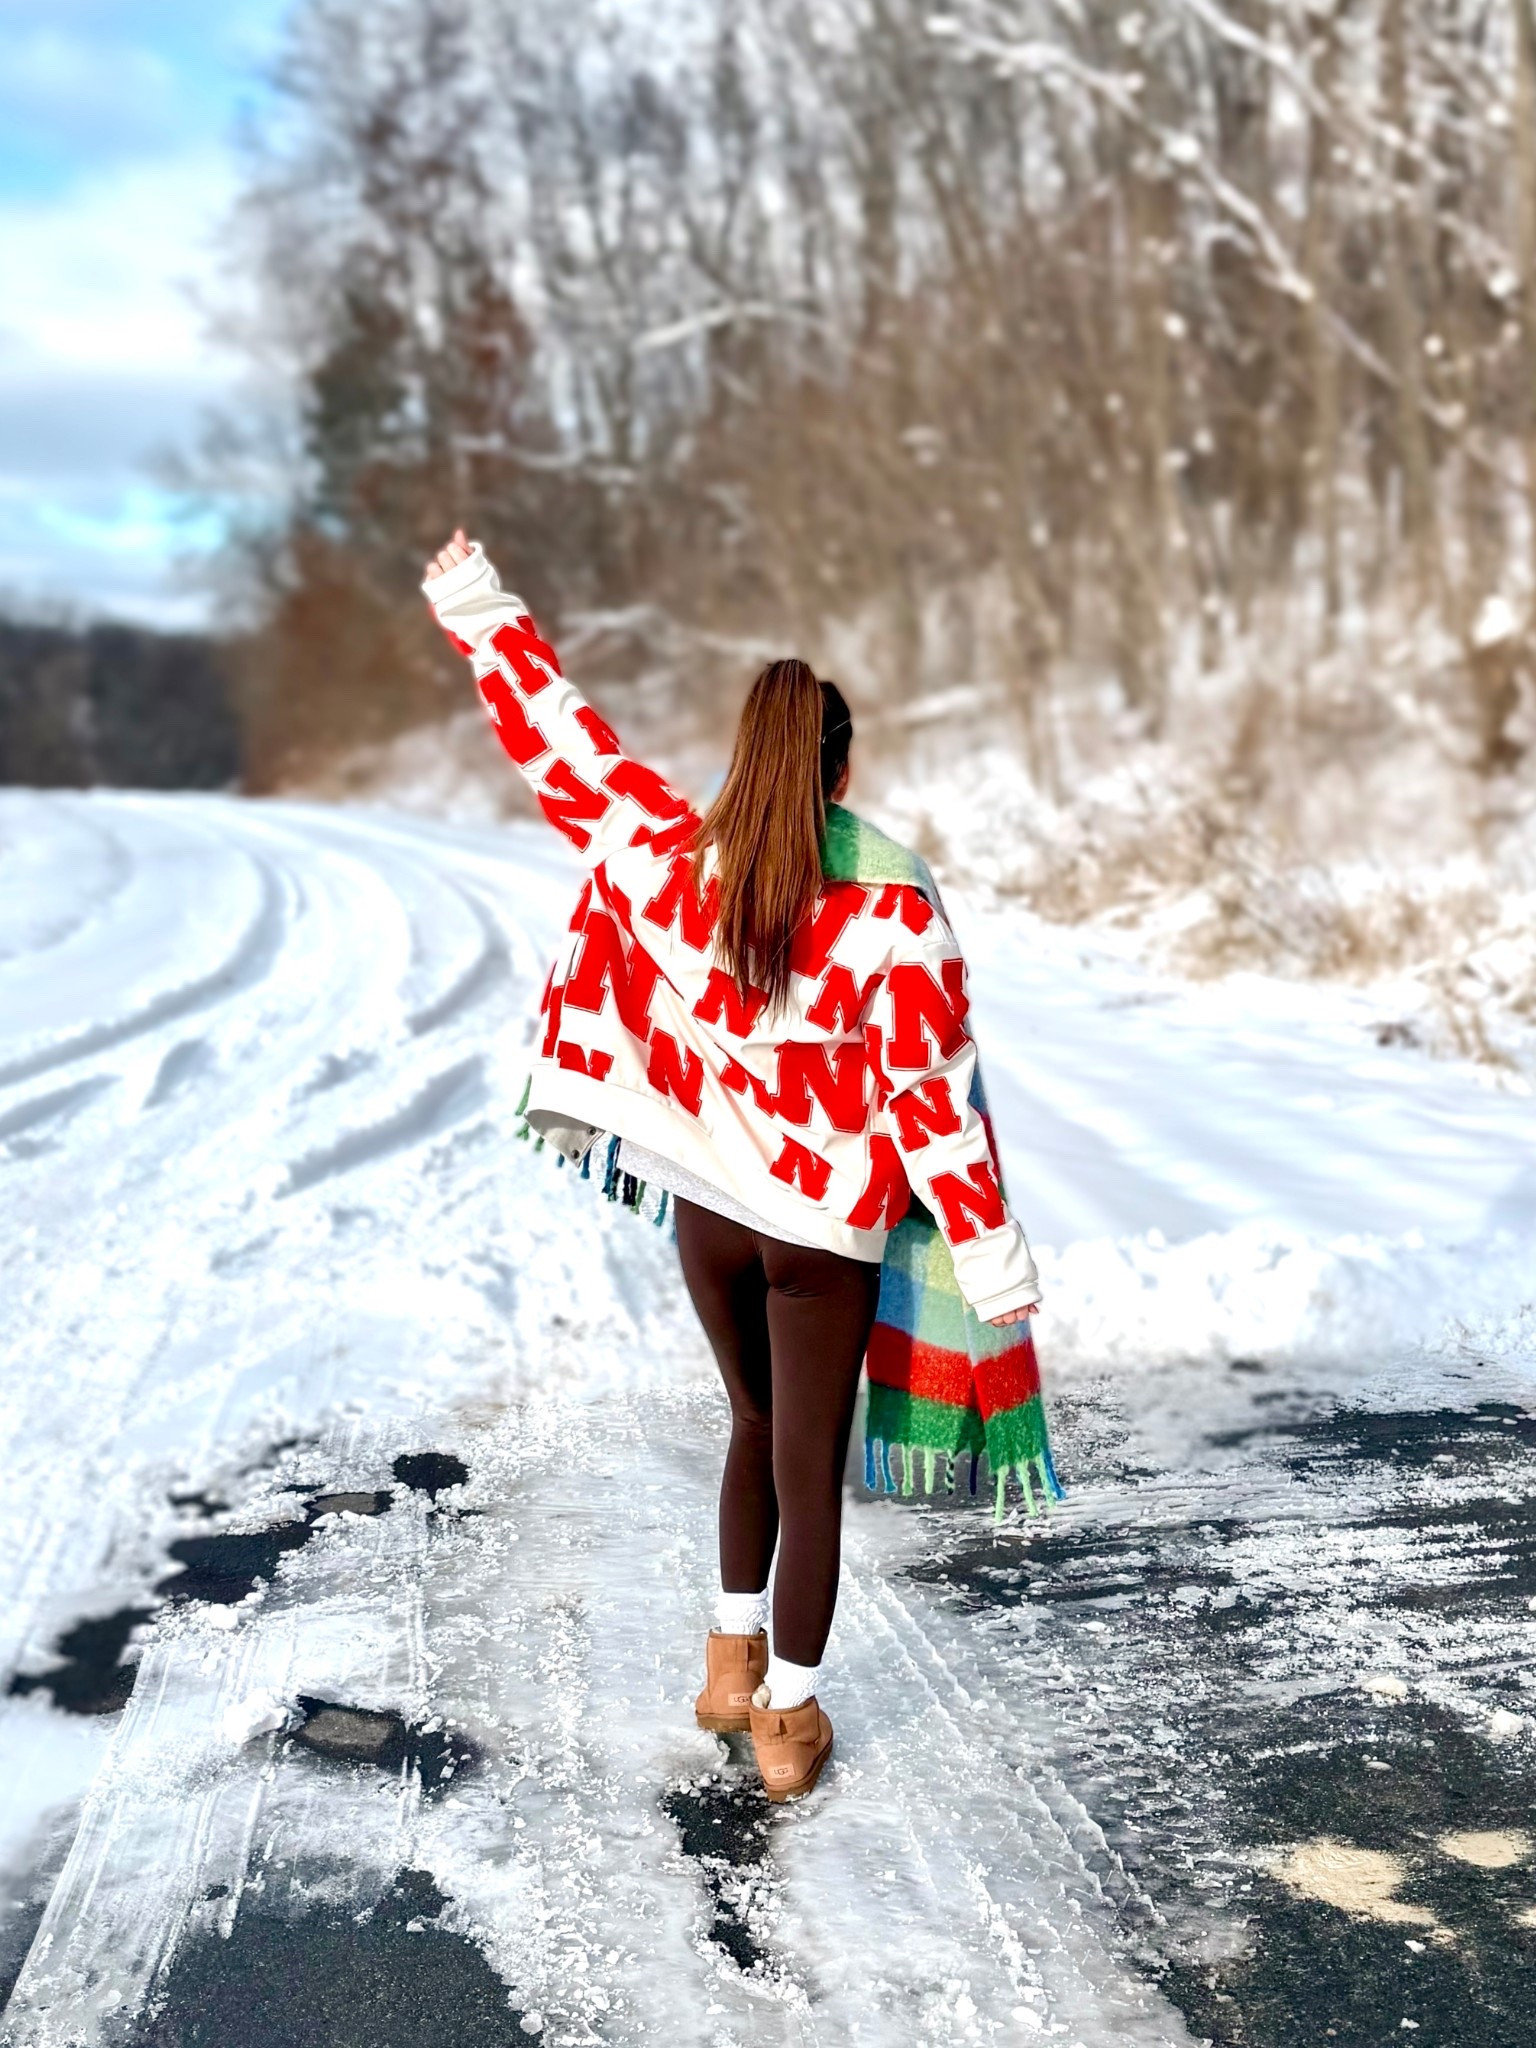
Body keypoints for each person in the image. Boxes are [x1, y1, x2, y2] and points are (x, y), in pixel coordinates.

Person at [423, 531, 1041, 1801]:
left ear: (742, 760)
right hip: (824, 1231)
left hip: (708, 1213)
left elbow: (562, 741)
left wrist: (479, 606)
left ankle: (724, 1665)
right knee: (808, 1465)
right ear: (844, 769)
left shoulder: (659, 849)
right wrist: (989, 1253)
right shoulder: (893, 905)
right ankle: (787, 1723)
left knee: (751, 1425)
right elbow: (929, 1096)